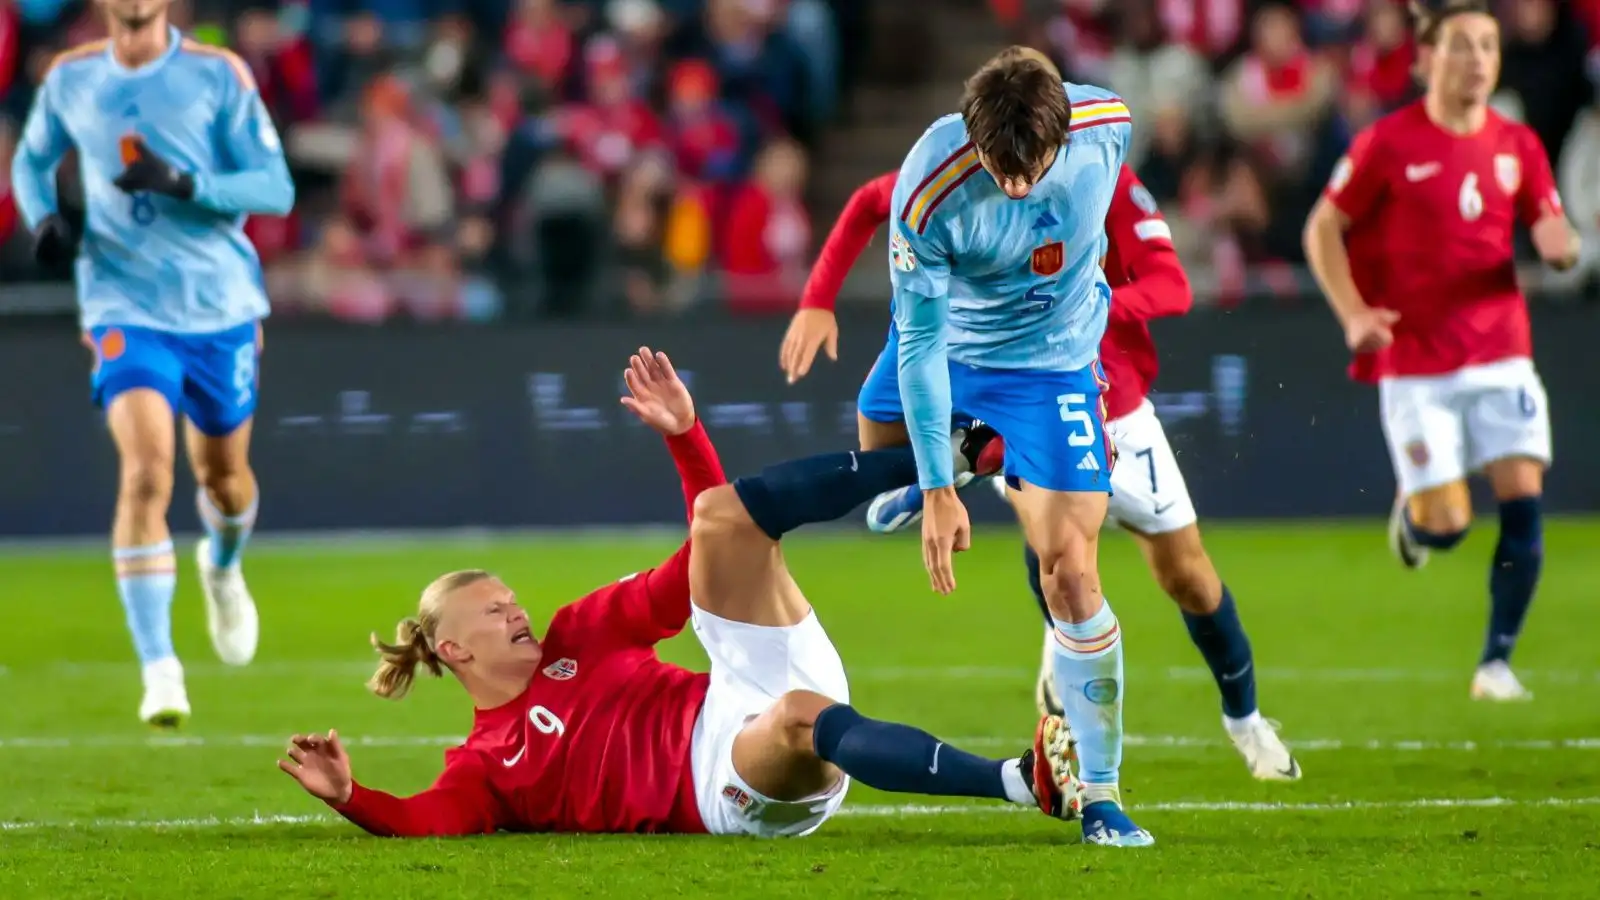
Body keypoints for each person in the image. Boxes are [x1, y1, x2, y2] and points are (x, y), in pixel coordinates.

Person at [277, 348, 1084, 837]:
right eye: (494, 611)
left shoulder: (577, 634)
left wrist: (685, 437)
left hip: (739, 684)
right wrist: (352, 798)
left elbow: (702, 550)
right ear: (452, 648)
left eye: (510, 599)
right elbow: (425, 822)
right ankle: (1019, 781)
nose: (516, 611)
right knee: (802, 719)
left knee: (725, 518)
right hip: (723, 784)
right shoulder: (483, 766)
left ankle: (943, 456)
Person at [780, 161, 1302, 783]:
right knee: (1057, 540)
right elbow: (872, 198)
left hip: (1120, 409)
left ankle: (1243, 720)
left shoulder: (1100, 173)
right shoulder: (959, 172)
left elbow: (1173, 287)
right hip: (1028, 398)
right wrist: (816, 298)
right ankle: (972, 473)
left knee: (1188, 577)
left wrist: (1089, 305)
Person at [873, 44, 1149, 846]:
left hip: (1055, 363)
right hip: (951, 347)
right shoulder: (929, 189)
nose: (1019, 184)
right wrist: (933, 491)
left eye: (1034, 167)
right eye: (1002, 167)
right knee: (875, 429)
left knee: (1070, 571)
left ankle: (1099, 793)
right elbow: (917, 345)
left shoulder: (1106, 127)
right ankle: (962, 454)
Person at [10, 0, 295, 726]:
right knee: (145, 474)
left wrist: (189, 185)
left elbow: (275, 186)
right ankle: (160, 668)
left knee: (224, 481)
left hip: (219, 305)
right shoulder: (71, 77)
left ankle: (223, 567)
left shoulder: (217, 74)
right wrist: (42, 218)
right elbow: (32, 161)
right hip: (122, 305)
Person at [1303, 0, 1580, 702]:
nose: (1480, 59)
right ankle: (1420, 521)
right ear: (1429, 58)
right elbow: (1323, 228)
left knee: (1523, 502)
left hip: (1500, 350)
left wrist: (1562, 243)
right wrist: (1354, 313)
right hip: (1416, 363)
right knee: (1450, 525)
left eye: (1489, 46)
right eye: (1463, 45)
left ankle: (1496, 663)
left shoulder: (1518, 144)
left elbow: (1550, 219)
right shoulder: (1388, 143)